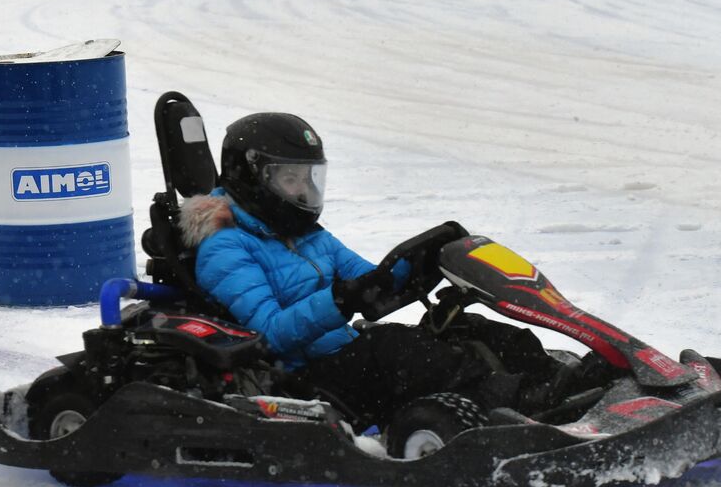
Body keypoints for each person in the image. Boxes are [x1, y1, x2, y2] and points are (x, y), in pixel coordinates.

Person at [180, 112, 593, 431]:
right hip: (301, 378)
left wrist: (421, 265)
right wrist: (339, 301)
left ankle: (564, 383)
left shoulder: (305, 234)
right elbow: (267, 336)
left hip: (342, 352)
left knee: (464, 326)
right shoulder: (225, 247)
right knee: (396, 347)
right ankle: (522, 402)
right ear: (254, 176)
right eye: (292, 180)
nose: (303, 192)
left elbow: (371, 279)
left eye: (308, 179)